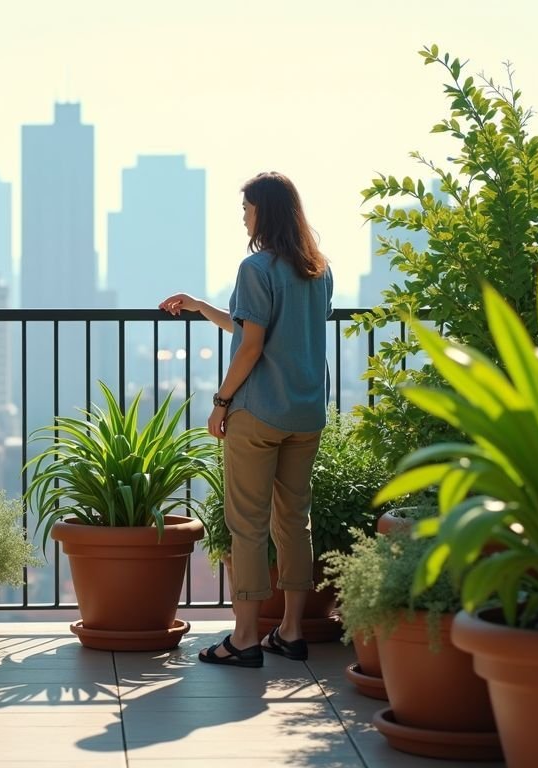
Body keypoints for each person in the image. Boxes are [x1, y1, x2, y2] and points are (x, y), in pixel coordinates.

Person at [160, 171, 333, 668]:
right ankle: (292, 631)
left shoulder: (255, 268)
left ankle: (244, 638)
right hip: (306, 412)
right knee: (294, 523)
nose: (243, 216)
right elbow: (257, 327)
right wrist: (199, 307)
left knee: (248, 526)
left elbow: (252, 345)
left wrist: (220, 402)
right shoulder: (319, 271)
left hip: (258, 412)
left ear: (265, 212)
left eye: (247, 208)